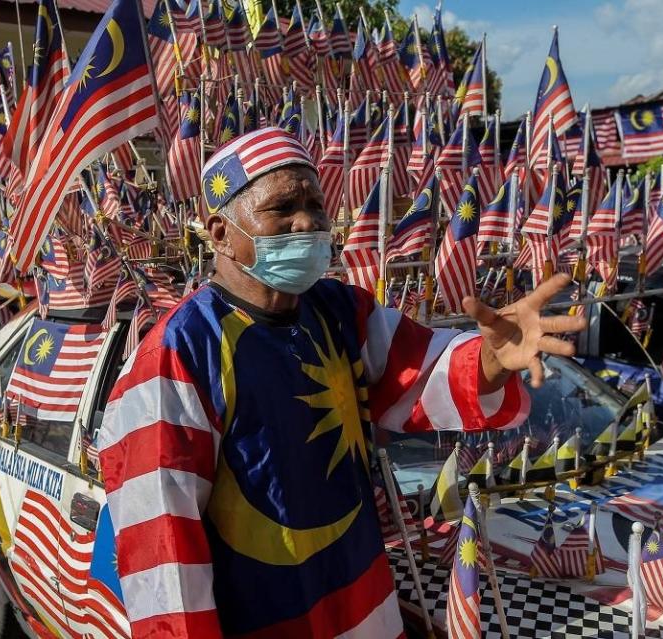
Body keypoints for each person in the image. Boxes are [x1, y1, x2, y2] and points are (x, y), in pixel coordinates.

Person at [99, 128, 585, 638]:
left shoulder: (338, 311)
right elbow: (165, 558)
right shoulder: (176, 357)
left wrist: (493, 357)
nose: (308, 221)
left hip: (365, 607)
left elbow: (425, 375)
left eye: (315, 204)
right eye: (283, 207)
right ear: (220, 233)